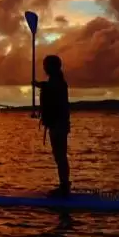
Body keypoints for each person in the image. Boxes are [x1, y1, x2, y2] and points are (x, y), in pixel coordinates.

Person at [33, 54, 71, 197]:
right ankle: (64, 185)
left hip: (58, 124)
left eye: (46, 65)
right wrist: (40, 85)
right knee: (59, 156)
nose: (44, 68)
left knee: (60, 156)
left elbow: (52, 88)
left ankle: (64, 187)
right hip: (56, 124)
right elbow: (49, 88)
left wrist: (39, 85)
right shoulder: (55, 81)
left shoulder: (58, 82)